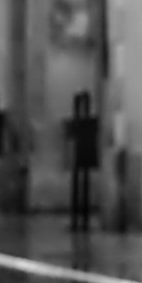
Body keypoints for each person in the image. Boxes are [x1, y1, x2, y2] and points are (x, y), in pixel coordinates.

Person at [65, 91, 100, 231]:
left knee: (85, 187)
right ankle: (75, 220)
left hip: (86, 154)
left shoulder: (91, 123)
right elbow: (69, 139)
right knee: (76, 188)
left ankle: (84, 220)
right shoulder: (74, 123)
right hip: (77, 154)